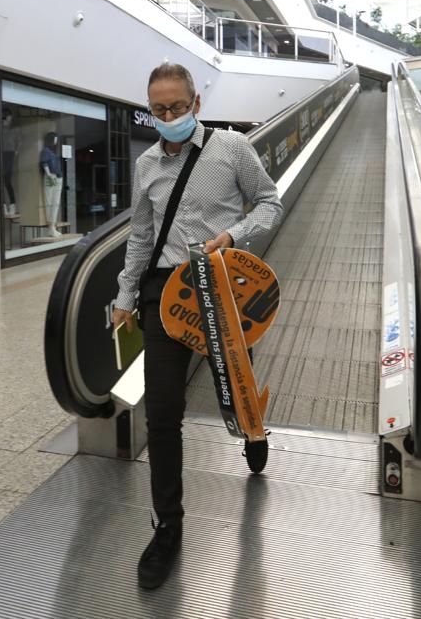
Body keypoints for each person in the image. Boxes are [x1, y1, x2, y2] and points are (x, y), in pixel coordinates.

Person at [111, 63, 282, 590]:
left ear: (196, 105)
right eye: (158, 110)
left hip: (223, 288)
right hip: (167, 295)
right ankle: (168, 528)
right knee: (162, 412)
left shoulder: (230, 148)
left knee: (239, 394)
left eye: (177, 107)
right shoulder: (145, 166)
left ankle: (253, 432)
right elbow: (141, 236)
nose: (168, 117)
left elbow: (271, 203)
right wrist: (123, 296)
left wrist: (231, 237)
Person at [41, 132, 64, 236]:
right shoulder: (46, 151)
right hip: (51, 176)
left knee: (56, 202)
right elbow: (44, 162)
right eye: (55, 139)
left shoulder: (53, 151)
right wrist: (48, 173)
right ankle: (50, 226)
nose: (56, 141)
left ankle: (53, 226)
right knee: (50, 201)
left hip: (58, 176)